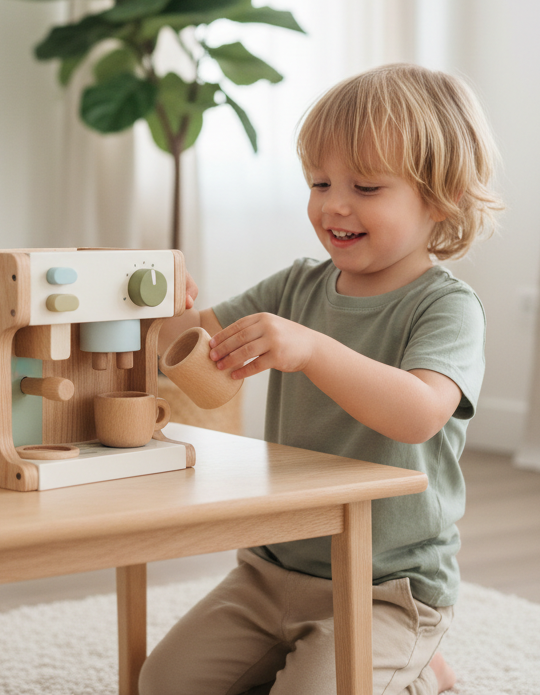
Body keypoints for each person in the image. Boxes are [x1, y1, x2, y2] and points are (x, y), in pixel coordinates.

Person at [143, 63, 502, 695]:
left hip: (385, 586)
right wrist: (171, 315)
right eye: (320, 182)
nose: (334, 204)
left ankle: (419, 669)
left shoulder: (446, 307)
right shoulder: (295, 285)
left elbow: (418, 412)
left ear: (440, 197)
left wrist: (311, 350)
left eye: (365, 186)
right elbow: (194, 342)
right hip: (271, 569)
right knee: (162, 684)